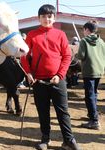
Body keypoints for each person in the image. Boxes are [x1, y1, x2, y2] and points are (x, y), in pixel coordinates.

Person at [20, 4, 80, 150]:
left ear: (54, 18)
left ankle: (68, 139)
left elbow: (67, 56)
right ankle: (45, 139)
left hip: (57, 80)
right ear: (39, 18)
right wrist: (28, 73)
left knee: (62, 111)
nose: (46, 19)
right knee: (43, 111)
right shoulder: (32, 35)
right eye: (43, 16)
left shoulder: (60, 34)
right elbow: (23, 56)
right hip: (38, 81)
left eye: (49, 16)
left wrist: (60, 75)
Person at [76, 20, 105, 130]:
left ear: (87, 29)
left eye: (83, 30)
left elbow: (81, 56)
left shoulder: (84, 41)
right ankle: (92, 115)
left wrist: (76, 52)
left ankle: (94, 120)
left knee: (89, 96)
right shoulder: (102, 42)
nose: (83, 32)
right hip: (99, 71)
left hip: (89, 71)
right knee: (94, 94)